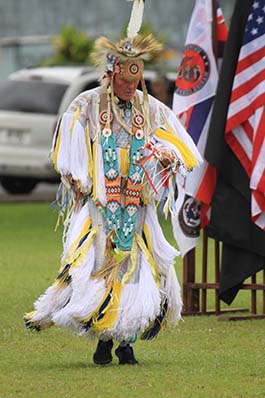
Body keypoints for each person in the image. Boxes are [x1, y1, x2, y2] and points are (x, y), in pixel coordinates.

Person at [24, 0, 202, 365]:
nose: (128, 87)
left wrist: (165, 157)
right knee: (95, 266)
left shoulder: (150, 108)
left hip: (136, 207)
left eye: (134, 81)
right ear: (110, 74)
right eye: (123, 80)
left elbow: (178, 143)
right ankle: (104, 339)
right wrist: (77, 173)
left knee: (136, 270)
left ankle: (126, 341)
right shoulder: (87, 104)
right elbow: (67, 138)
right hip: (100, 206)